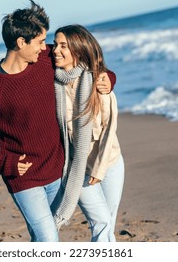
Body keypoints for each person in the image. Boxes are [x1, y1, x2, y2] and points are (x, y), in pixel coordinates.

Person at [0, 1, 116, 242]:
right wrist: (6, 163)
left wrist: (107, 78)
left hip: (57, 168)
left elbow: (87, 64)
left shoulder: (46, 58)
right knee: (48, 239)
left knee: (47, 237)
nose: (44, 47)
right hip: (24, 177)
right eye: (39, 41)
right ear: (21, 42)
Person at [53, 24, 125, 242]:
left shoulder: (99, 81)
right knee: (101, 224)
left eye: (63, 46)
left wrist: (101, 168)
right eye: (55, 44)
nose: (56, 50)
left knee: (108, 224)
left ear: (78, 49)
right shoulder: (51, 82)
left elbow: (109, 129)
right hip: (77, 168)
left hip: (109, 162)